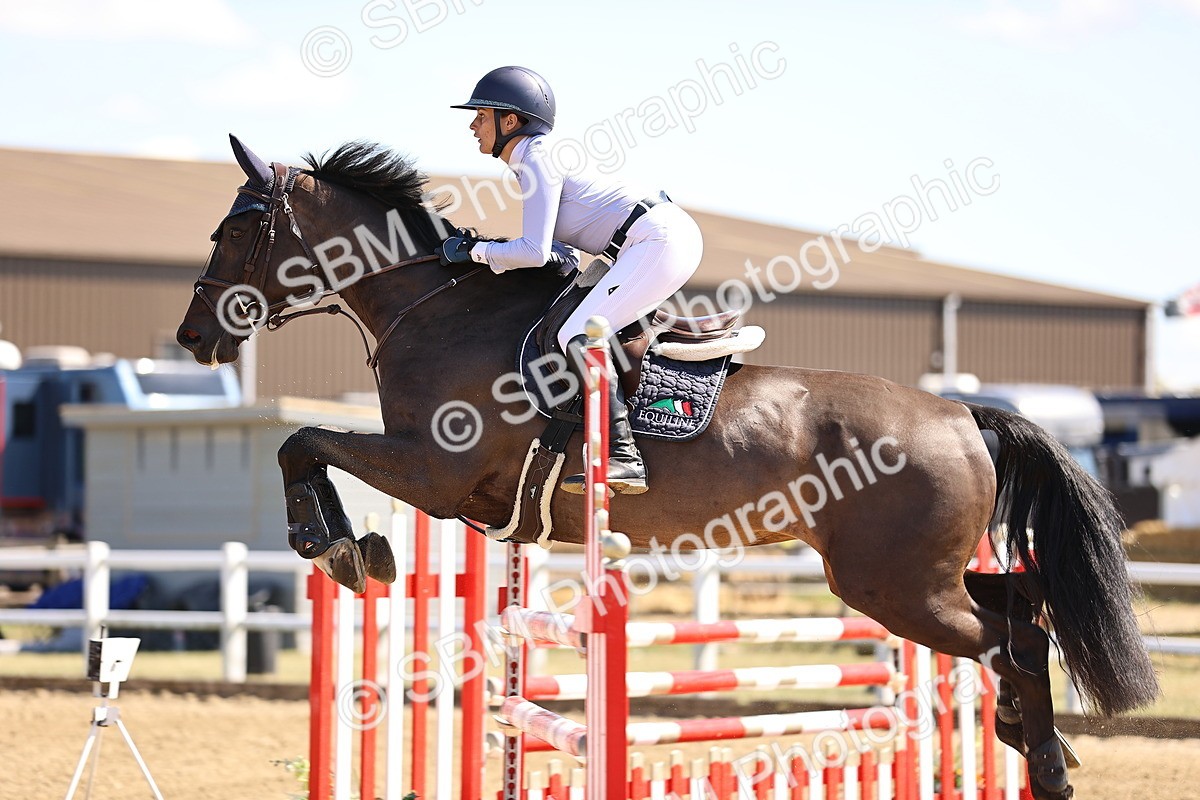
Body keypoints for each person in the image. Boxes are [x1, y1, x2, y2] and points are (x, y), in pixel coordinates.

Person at [444, 66, 704, 495]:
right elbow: (557, 251)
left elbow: (533, 252)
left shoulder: (535, 157)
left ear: (510, 121)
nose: (473, 125)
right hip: (643, 242)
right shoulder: (532, 157)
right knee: (570, 323)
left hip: (655, 240)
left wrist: (473, 251)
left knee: (578, 334)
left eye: (481, 115)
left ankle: (623, 456)